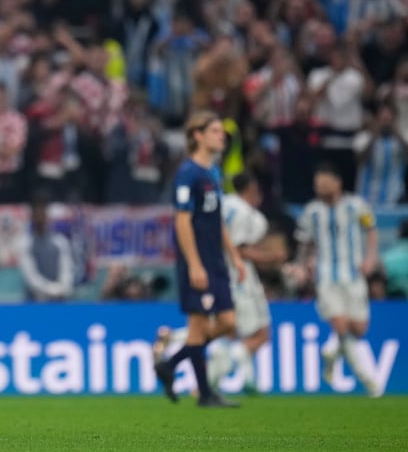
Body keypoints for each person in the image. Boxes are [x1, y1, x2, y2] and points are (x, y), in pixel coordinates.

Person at [153, 110, 246, 408]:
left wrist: (235, 256)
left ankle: (171, 364)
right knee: (198, 325)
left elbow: (216, 219)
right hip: (198, 260)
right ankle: (205, 394)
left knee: (228, 322)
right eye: (216, 131)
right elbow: (182, 221)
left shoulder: (213, 174)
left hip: (216, 260)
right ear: (198, 136)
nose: (222, 137)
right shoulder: (188, 174)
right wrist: (194, 263)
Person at [295, 162, 382, 397]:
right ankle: (370, 381)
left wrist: (370, 258)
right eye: (317, 184)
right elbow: (305, 243)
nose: (320, 188)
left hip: (353, 274)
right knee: (341, 325)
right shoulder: (311, 211)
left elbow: (371, 230)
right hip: (326, 277)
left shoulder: (356, 205)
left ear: (337, 183)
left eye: (324, 183)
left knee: (359, 328)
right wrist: (303, 266)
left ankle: (332, 353)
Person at [206, 172, 285, 394]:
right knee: (260, 334)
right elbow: (238, 250)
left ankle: (244, 380)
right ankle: (232, 362)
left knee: (229, 331)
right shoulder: (245, 213)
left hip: (218, 275)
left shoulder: (224, 204)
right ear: (251, 188)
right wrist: (272, 257)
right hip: (240, 279)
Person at [16, 193, 76, 302]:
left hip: (60, 300)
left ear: (48, 216)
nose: (40, 220)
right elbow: (31, 278)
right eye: (37, 215)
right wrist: (52, 290)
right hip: (34, 303)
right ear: (32, 217)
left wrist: (62, 289)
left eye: (42, 215)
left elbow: (67, 270)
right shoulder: (24, 243)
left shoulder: (60, 242)